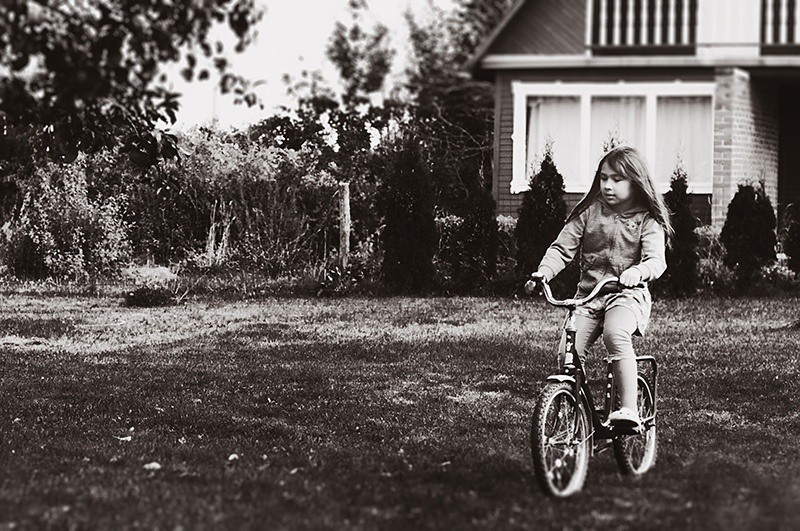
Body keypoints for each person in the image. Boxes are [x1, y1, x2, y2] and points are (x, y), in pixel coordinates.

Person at [530, 146, 673, 433]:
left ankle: (629, 409)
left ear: (636, 182)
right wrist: (543, 272)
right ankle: (572, 412)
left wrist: (638, 272)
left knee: (615, 334)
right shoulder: (589, 212)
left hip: (627, 296)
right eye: (604, 178)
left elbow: (656, 261)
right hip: (589, 296)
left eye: (617, 179)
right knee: (567, 352)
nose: (608, 185)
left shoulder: (647, 220)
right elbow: (561, 249)